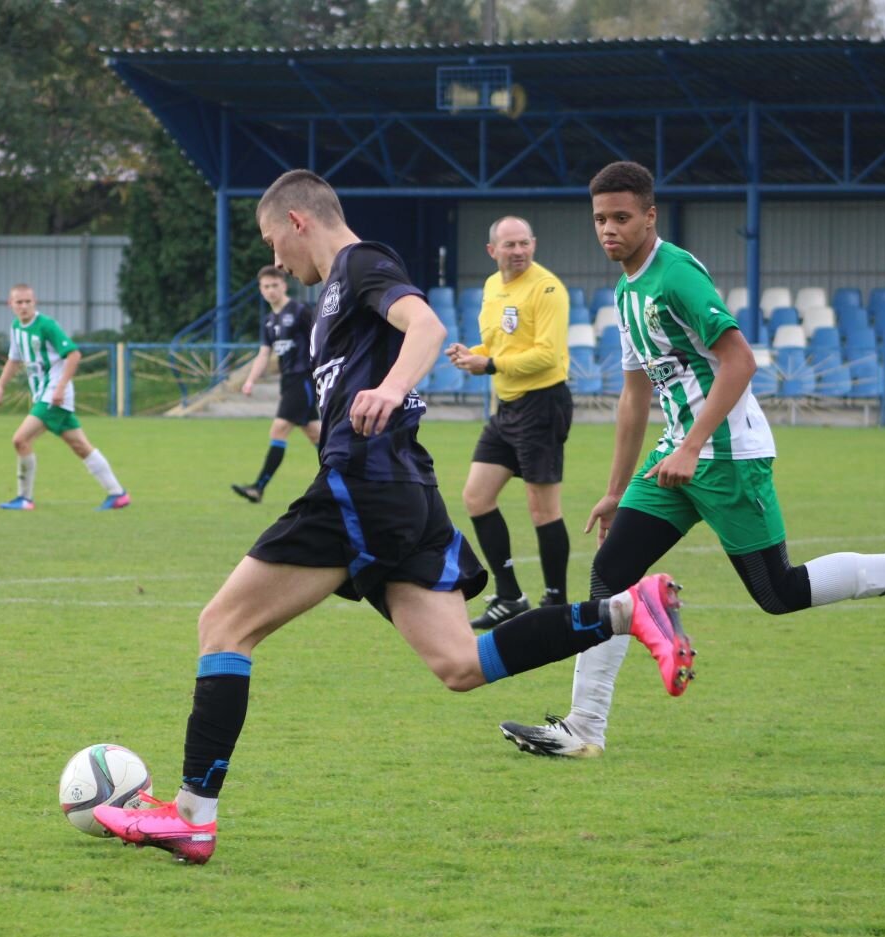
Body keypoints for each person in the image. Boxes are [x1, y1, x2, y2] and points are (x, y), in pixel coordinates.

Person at [91, 169, 696, 865]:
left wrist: (392, 386)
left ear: (296, 222)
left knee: (223, 626)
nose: (274, 258)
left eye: (270, 239)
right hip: (399, 486)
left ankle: (194, 815)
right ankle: (629, 610)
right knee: (460, 663)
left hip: (364, 482)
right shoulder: (331, 299)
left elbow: (426, 325)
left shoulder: (360, 263)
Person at [500, 162, 885, 760]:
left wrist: (692, 446)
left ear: (650, 216)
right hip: (675, 457)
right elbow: (635, 396)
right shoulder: (627, 290)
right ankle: (584, 727)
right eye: (600, 218)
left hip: (729, 456)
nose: (609, 229)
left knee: (777, 591)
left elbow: (740, 362)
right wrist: (616, 488)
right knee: (610, 575)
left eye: (621, 217)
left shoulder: (676, 275)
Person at [444, 215, 574, 631]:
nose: (518, 251)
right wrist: (473, 354)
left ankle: (556, 601)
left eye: (524, 243)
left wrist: (489, 364)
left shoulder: (547, 288)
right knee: (476, 497)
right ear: (492, 250)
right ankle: (510, 596)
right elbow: (499, 343)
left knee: (542, 508)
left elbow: (547, 355)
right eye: (510, 245)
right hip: (508, 407)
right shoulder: (491, 286)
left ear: (533, 244)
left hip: (543, 404)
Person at [0, 284, 129, 510]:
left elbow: (74, 355)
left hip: (53, 394)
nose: (24, 306)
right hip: (44, 395)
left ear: (35, 302)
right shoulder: (16, 327)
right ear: (10, 304)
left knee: (20, 440)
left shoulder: (47, 325)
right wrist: (0, 385)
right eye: (19, 302)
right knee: (80, 445)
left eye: (28, 301)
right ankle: (118, 494)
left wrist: (60, 388)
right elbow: (14, 360)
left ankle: (24, 499)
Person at [231, 265, 320, 502]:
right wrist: (250, 380)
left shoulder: (300, 311)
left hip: (304, 379)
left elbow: (321, 339)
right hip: (288, 381)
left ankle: (258, 488)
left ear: (284, 285)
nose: (270, 290)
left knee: (279, 428)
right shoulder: (269, 321)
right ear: (261, 290)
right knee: (316, 434)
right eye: (266, 287)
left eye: (274, 285)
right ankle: (350, 475)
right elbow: (263, 354)